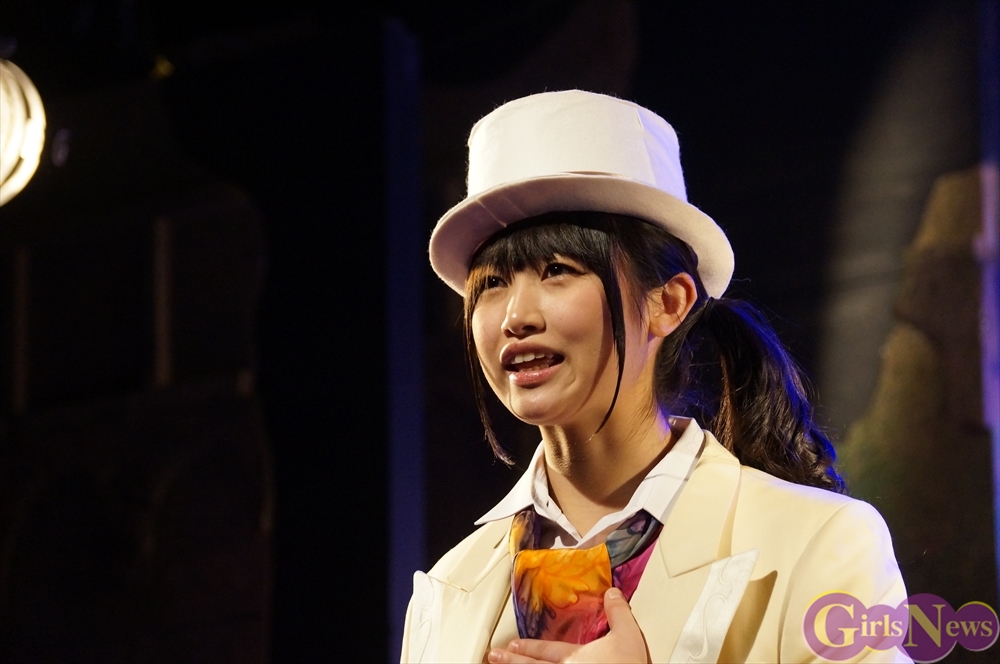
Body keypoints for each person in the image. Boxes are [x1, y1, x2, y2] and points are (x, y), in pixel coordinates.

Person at [401, 90, 909, 663]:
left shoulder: (818, 540)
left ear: (668, 303)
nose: (515, 316)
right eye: (492, 283)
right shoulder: (448, 590)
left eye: (557, 270)